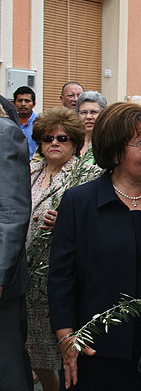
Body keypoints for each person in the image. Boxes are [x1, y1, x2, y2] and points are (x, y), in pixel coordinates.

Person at [47, 102, 141, 390]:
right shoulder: (80, 202)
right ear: (114, 151)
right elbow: (62, 277)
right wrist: (67, 339)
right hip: (96, 352)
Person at [25, 108, 101, 391]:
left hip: (64, 276)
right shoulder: (29, 171)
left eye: (63, 138)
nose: (54, 143)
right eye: (47, 138)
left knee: (66, 352)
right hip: (28, 276)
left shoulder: (89, 175)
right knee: (35, 351)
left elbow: (98, 222)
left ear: (76, 142)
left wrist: (68, 221)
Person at [0, 102, 33, 391]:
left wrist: (0, 277)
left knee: (7, 371)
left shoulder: (4, 134)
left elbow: (13, 214)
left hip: (3, 283)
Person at [75, 91, 107, 158]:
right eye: (84, 112)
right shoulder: (72, 142)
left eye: (93, 112)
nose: (88, 117)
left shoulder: (107, 143)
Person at [14, 86, 38, 159]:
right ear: (14, 103)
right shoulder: (10, 123)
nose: (23, 104)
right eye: (20, 100)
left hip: (35, 166)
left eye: (27, 101)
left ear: (34, 104)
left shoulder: (41, 123)